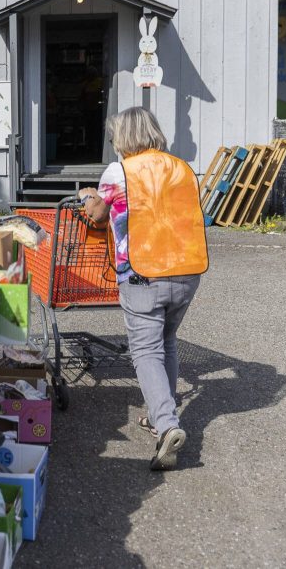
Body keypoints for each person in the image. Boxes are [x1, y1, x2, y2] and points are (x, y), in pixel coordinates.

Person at [78, 107, 208, 472]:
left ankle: (167, 425)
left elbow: (99, 215)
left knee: (146, 350)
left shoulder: (119, 171)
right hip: (187, 269)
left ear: (123, 136)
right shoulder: (181, 167)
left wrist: (90, 195)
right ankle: (159, 416)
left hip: (143, 273)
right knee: (166, 341)